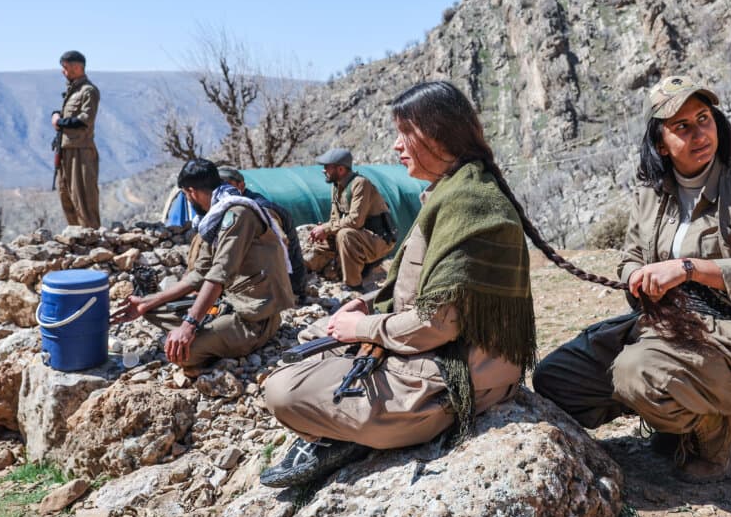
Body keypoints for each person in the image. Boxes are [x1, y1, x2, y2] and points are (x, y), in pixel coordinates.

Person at [259, 81, 537, 488]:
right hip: (437, 350)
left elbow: (439, 323)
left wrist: (363, 329)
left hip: (456, 372)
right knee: (313, 338)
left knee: (283, 391)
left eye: (406, 133)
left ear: (438, 133)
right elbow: (414, 286)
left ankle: (360, 432)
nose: (395, 145)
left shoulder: (469, 203)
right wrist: (368, 307)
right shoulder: (451, 193)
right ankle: (355, 424)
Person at [532, 75, 731, 483]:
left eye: (704, 119)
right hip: (664, 325)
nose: (699, 133)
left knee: (638, 373)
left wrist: (687, 268)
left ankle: (715, 431)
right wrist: (636, 274)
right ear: (660, 143)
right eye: (682, 127)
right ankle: (675, 417)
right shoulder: (651, 196)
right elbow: (630, 258)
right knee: (556, 379)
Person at [112, 159, 295, 372]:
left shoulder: (238, 214)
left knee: (181, 354)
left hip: (253, 319)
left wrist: (188, 325)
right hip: (227, 304)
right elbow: (199, 274)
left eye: (186, 195)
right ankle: (208, 331)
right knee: (152, 310)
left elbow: (218, 275)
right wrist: (145, 302)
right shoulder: (215, 216)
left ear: (191, 192)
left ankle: (218, 347)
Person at [304, 148, 395, 292]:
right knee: (328, 234)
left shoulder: (360, 184)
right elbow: (334, 219)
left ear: (340, 169)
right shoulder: (336, 187)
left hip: (378, 239)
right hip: (359, 236)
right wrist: (325, 230)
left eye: (327, 167)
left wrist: (327, 228)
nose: (324, 170)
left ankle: (354, 286)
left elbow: (355, 221)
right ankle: (305, 267)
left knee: (344, 234)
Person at [217, 165, 307, 299]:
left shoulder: (260, 208)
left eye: (228, 184)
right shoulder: (227, 206)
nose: (223, 189)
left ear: (241, 186)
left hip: (285, 291)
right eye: (219, 185)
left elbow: (280, 240)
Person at [51, 50, 100, 228]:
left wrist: (59, 122)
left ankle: (91, 239)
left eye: (66, 68)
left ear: (77, 67)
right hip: (66, 150)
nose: (63, 72)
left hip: (81, 151)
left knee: (83, 198)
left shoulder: (88, 91)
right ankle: (76, 237)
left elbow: (85, 120)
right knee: (66, 195)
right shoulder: (73, 91)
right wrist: (56, 114)